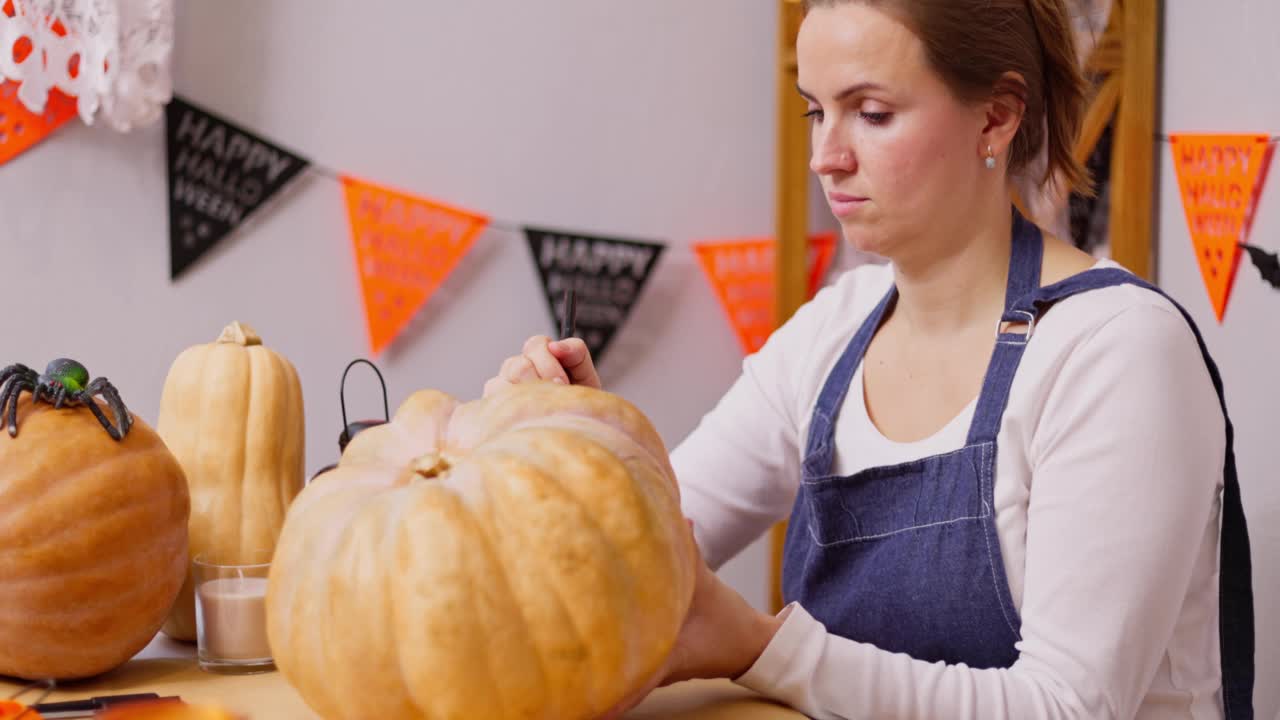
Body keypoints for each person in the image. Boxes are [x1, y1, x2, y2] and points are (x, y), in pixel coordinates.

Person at [484, 1, 1255, 718]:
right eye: (816, 111)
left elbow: (1061, 707)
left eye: (872, 113)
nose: (827, 157)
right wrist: (579, 446)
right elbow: (645, 562)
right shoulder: (833, 329)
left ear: (996, 118)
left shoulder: (1114, 349)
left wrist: (762, 649)